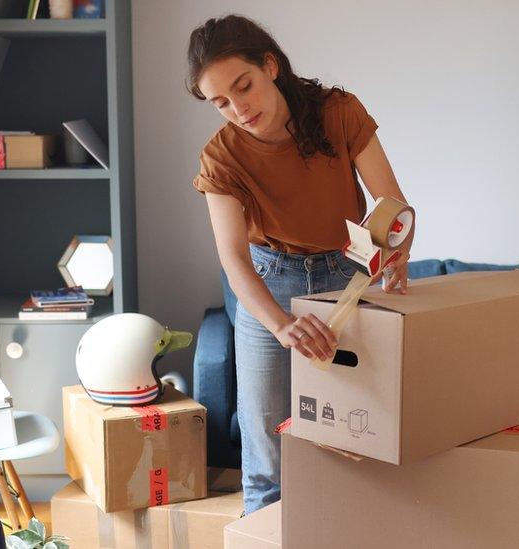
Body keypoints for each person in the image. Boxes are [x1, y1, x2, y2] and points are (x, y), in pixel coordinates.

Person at [186, 14, 413, 514]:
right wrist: (282, 325)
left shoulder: (338, 112)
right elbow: (233, 257)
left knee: (361, 434)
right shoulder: (220, 158)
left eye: (243, 86)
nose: (238, 108)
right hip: (271, 280)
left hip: (347, 270)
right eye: (220, 102)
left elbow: (389, 202)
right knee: (267, 453)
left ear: (270, 66)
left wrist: (397, 246)